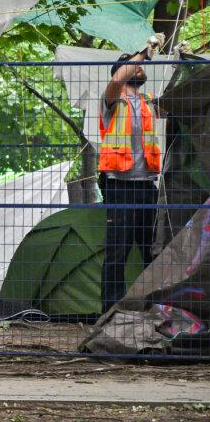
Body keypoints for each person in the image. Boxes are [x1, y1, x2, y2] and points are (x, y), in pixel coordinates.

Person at [98, 32, 165, 314]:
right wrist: (142, 53)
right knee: (117, 251)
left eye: (140, 65)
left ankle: (153, 309)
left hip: (147, 186)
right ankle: (111, 313)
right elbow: (116, 79)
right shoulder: (112, 100)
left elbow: (179, 103)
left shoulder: (149, 101)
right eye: (133, 66)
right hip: (120, 186)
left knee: (153, 250)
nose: (140, 68)